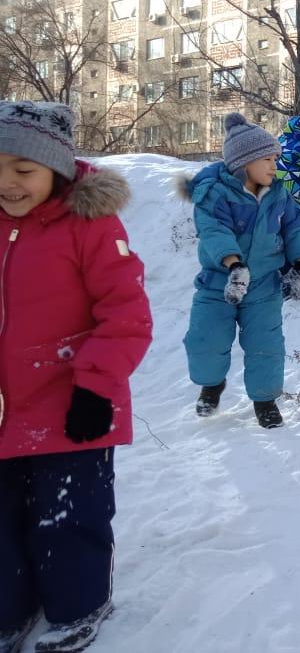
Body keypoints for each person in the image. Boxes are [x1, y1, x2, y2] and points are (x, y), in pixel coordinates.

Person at [0, 101, 153, 653]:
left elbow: (126, 313)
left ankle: (77, 606)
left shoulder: (89, 226)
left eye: (23, 170)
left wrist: (95, 385)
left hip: (73, 405)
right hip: (2, 409)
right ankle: (8, 609)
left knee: (68, 516)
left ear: (56, 171)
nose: (8, 184)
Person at [181, 113, 300, 428]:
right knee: (206, 340)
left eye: (275, 159)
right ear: (244, 162)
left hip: (264, 286)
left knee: (266, 344)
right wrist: (233, 264)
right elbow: (214, 230)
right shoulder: (214, 193)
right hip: (218, 283)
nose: (274, 165)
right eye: (267, 159)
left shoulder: (280, 195)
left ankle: (265, 400)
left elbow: (296, 229)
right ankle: (211, 384)